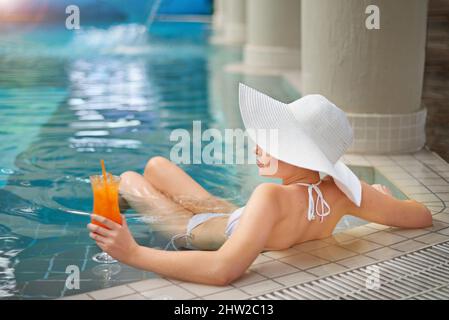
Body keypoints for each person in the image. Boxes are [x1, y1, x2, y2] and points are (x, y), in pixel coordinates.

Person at [87, 84, 432, 286]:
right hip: (234, 217)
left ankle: (124, 197)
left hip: (193, 228)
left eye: (274, 140)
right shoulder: (345, 192)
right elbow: (421, 216)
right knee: (158, 166)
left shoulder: (269, 195)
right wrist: (381, 204)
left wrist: (133, 253)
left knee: (132, 179)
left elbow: (223, 269)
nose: (258, 144)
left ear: (301, 154)